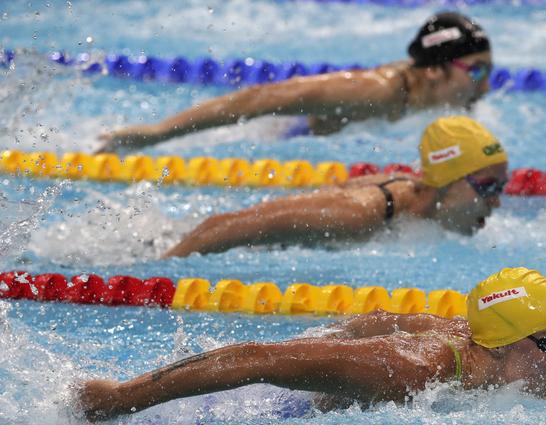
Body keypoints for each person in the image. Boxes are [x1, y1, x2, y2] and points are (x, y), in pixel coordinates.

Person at [76, 267, 546, 421]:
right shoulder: (413, 370)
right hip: (268, 413)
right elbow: (256, 360)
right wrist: (120, 398)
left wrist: (327, 340)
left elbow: (380, 318)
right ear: (504, 341)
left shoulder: (473, 339)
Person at [95, 12, 493, 152]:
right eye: (476, 72)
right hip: (282, 138)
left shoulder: (436, 93)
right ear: (435, 69)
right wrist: (157, 133)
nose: (485, 88)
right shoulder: (375, 89)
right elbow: (260, 98)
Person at [162, 115, 508, 257]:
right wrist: (160, 266)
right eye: (487, 188)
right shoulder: (358, 214)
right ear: (446, 182)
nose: (495, 204)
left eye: (500, 188)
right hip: (177, 242)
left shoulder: (415, 206)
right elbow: (220, 228)